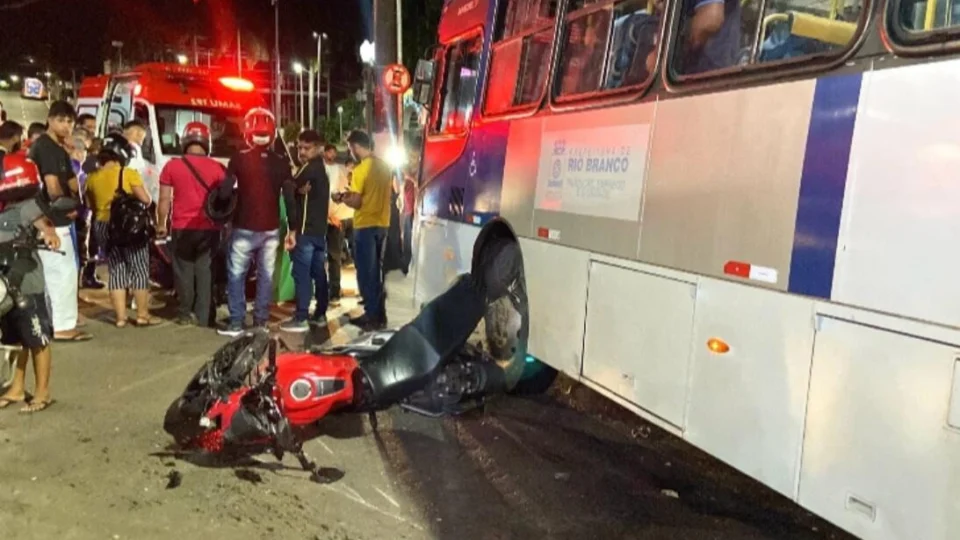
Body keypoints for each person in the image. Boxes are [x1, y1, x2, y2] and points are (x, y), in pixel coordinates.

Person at [218, 107, 297, 337]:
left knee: (236, 275)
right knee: (265, 276)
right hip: (271, 230)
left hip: (243, 226)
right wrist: (293, 229)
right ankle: (260, 321)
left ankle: (236, 322)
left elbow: (224, 193)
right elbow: (290, 198)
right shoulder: (282, 162)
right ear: (272, 134)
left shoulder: (238, 158)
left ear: (248, 132)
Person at [0, 122, 63, 413]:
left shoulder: (28, 206)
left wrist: (48, 236)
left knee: (36, 337)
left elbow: (48, 228)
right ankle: (16, 388)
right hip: (7, 278)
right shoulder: (4, 208)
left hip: (27, 281)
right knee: (15, 337)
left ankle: (43, 392)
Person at [28, 100, 90, 342]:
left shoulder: (56, 148)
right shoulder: (46, 148)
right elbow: (54, 189)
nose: (66, 126)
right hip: (52, 220)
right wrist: (71, 203)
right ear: (50, 120)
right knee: (61, 275)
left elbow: (73, 182)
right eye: (61, 120)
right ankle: (62, 326)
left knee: (60, 274)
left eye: (70, 121)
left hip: (55, 219)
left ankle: (57, 322)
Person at [84, 133, 159, 328]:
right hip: (129, 226)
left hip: (103, 225)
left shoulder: (92, 178)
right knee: (139, 269)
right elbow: (146, 200)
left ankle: (120, 318)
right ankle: (142, 315)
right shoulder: (127, 173)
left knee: (116, 269)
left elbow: (89, 205)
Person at [157, 122, 226, 327]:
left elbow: (164, 200)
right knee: (205, 271)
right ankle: (203, 317)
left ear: (185, 141)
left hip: (181, 227)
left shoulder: (172, 166)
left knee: (183, 270)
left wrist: (161, 224)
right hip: (209, 229)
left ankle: (185, 313)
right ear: (207, 143)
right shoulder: (218, 168)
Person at [334, 130, 392, 330]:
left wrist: (342, 198)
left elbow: (357, 201)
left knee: (366, 272)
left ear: (356, 146)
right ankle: (380, 312)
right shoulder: (385, 167)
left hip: (365, 225)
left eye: (350, 148)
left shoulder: (360, 170)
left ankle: (371, 315)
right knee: (377, 271)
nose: (350, 152)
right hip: (383, 224)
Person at [279, 130, 331, 333]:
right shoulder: (321, 169)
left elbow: (289, 185)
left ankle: (301, 316)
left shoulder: (309, 168)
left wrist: (294, 189)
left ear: (318, 148)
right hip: (319, 232)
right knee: (318, 274)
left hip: (305, 231)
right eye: (299, 147)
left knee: (302, 274)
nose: (301, 152)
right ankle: (320, 313)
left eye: (306, 148)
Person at [323, 144, 350, 305]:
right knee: (318, 258)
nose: (331, 154)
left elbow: (345, 194)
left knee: (334, 256)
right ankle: (320, 290)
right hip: (320, 218)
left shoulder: (341, 171)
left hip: (336, 219)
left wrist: (337, 216)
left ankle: (334, 291)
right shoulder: (318, 169)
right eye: (329, 151)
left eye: (333, 152)